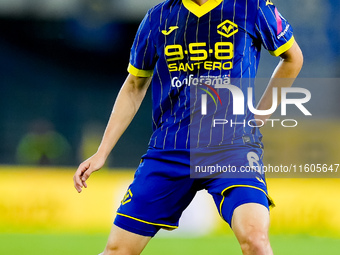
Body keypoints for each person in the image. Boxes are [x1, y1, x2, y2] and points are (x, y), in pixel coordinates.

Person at [73, 0, 303, 254]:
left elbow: (293, 58)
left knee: (256, 240)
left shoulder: (251, 6)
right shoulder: (157, 18)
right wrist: (102, 151)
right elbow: (134, 85)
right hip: (169, 151)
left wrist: (259, 117)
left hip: (232, 149)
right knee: (117, 250)